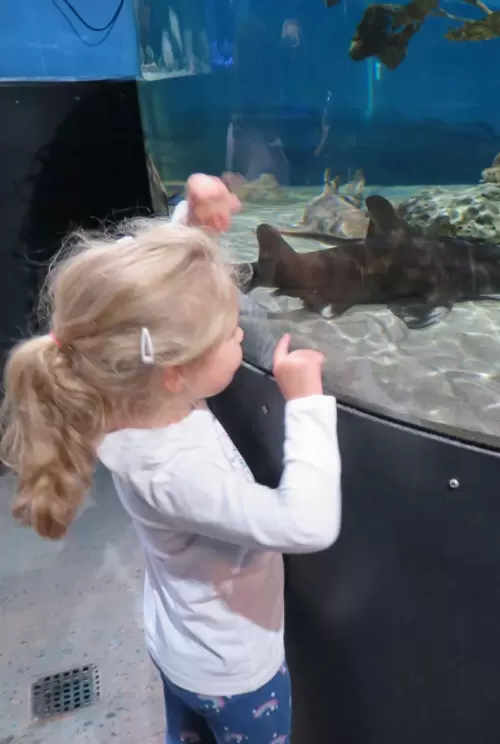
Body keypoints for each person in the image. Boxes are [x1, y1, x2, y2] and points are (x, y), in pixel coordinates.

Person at [0, 173, 342, 744]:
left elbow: (139, 283)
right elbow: (305, 524)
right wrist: (306, 404)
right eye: (229, 334)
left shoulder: (125, 397)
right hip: (233, 674)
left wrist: (191, 208)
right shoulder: (174, 470)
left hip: (177, 646)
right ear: (176, 370)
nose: (240, 338)